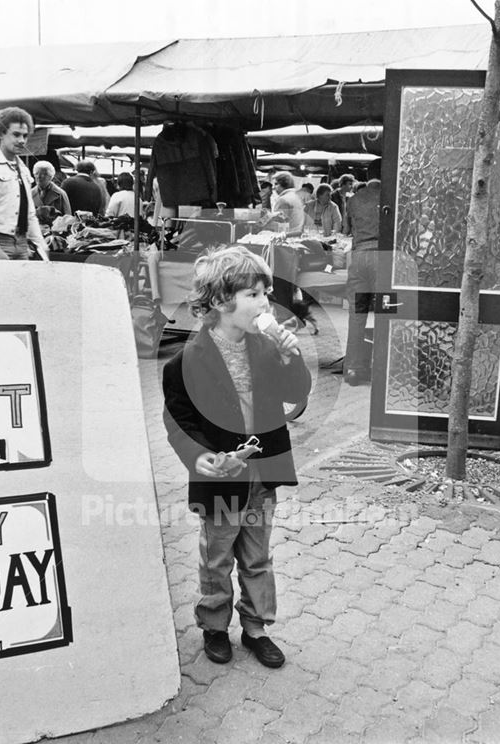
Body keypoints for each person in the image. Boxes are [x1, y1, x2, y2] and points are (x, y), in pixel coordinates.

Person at [161, 246, 311, 670]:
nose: (266, 303)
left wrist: (290, 355)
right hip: (222, 479)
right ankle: (213, 625)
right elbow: (179, 420)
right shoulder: (185, 362)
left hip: (263, 474)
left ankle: (257, 628)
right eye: (255, 295)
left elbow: (294, 394)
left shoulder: (266, 347)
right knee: (217, 556)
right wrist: (198, 456)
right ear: (221, 301)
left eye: (266, 293)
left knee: (258, 556)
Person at [0, 107, 49, 261]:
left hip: (22, 242)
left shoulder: (23, 169)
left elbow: (30, 213)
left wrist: (41, 245)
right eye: (16, 135)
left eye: (25, 136)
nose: (22, 141)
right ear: (0, 133)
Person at [342, 161, 382, 386]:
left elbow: (347, 231)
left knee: (356, 317)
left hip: (358, 259)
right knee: (387, 314)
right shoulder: (391, 197)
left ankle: (353, 370)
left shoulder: (353, 199)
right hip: (383, 260)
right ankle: (382, 370)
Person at [265, 171, 306, 236]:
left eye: (276, 184)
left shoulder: (283, 199)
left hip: (287, 238)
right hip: (296, 236)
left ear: (284, 184)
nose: (273, 187)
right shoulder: (296, 196)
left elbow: (279, 224)